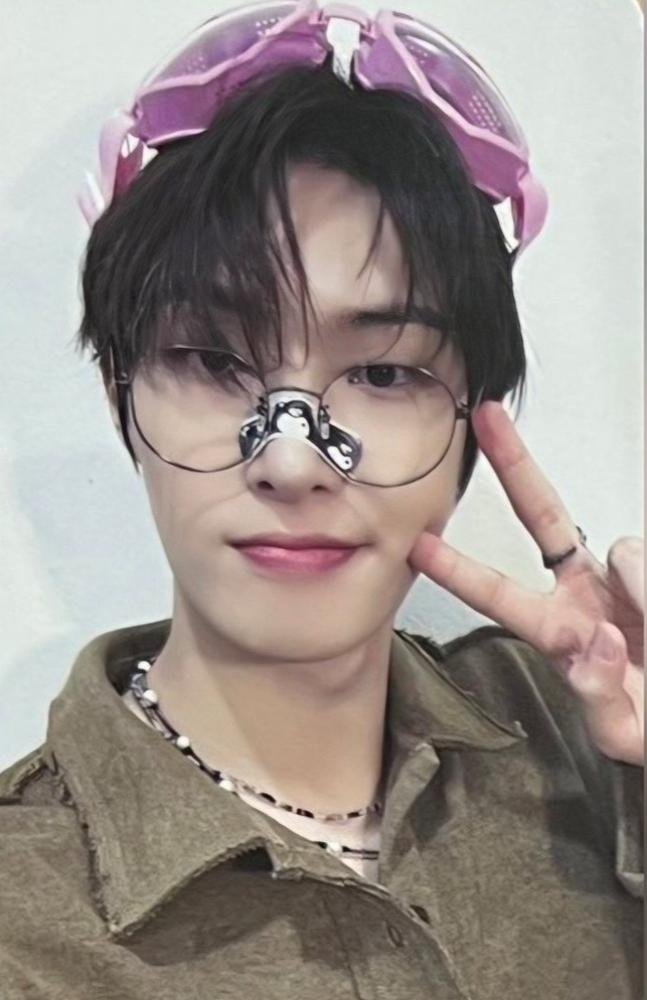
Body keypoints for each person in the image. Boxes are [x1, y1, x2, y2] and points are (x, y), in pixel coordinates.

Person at [0, 4, 643, 998]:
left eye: (384, 372)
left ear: (471, 418)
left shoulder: (583, 735)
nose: (292, 461)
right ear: (119, 392)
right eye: (212, 360)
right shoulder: (24, 914)